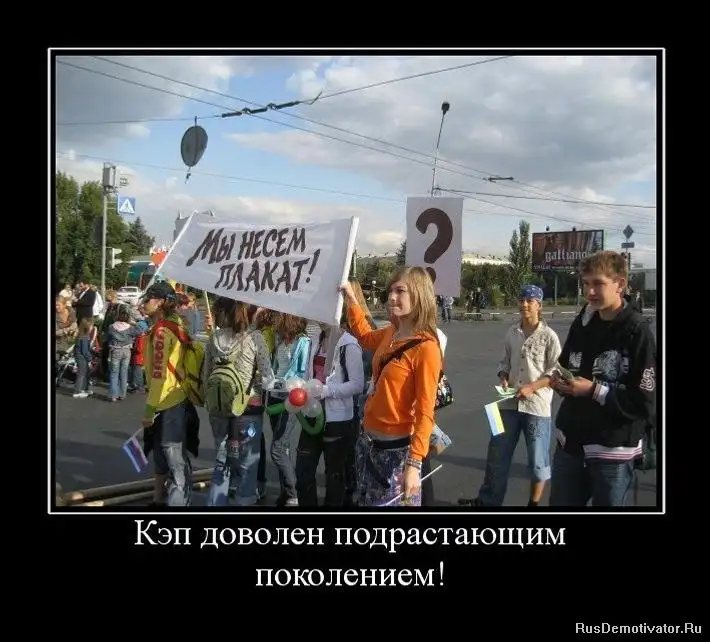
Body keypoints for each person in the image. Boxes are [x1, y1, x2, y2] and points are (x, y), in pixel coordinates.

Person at [549, 251, 656, 507]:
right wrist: (560, 382)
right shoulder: (582, 322)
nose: (590, 291)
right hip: (570, 445)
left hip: (612, 452)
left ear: (620, 284)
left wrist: (593, 391)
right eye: (586, 283)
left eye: (598, 283)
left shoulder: (637, 331)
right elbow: (565, 364)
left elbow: (645, 402)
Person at [341, 266, 442, 507]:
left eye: (400, 291)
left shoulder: (426, 348)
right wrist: (351, 299)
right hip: (368, 445)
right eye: (391, 291)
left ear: (419, 295)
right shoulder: (392, 333)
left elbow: (425, 412)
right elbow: (365, 337)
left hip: (396, 454)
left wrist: (414, 464)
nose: (392, 297)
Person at [471, 284, 562, 507]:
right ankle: (487, 502)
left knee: (538, 464)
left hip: (537, 407)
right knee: (496, 455)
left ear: (539, 305)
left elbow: (556, 372)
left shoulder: (549, 336)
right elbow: (504, 361)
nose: (524, 305)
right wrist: (503, 376)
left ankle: (533, 505)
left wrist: (532, 387)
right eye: (522, 300)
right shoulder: (512, 332)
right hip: (506, 403)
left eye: (530, 301)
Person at [140, 281, 198, 507]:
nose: (144, 303)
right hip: (173, 399)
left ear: (161, 303)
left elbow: (159, 375)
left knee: (174, 459)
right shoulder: (173, 325)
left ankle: (178, 504)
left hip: (167, 402)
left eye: (148, 299)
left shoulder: (163, 332)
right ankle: (161, 500)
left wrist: (149, 409)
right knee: (165, 454)